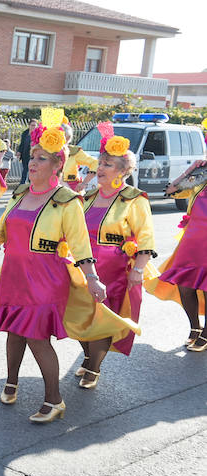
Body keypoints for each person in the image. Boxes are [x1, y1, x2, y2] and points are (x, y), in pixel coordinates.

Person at [0, 109, 140, 423]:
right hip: (13, 275)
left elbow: (81, 245)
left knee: (36, 337)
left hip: (45, 278)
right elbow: (1, 233)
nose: (33, 162)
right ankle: (11, 382)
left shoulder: (67, 200)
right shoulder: (20, 192)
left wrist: (92, 279)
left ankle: (54, 400)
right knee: (13, 332)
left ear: (58, 165)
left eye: (42, 158)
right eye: (33, 156)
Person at [74, 124, 157, 388]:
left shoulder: (134, 199)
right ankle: (88, 356)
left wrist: (138, 269)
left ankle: (93, 368)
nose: (99, 168)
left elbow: (145, 236)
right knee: (78, 316)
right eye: (100, 162)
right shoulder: (88, 197)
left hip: (115, 270)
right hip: (84, 268)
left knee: (104, 318)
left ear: (122, 170)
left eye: (107, 164)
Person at [145, 158, 207, 351]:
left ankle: (206, 332)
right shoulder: (201, 176)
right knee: (184, 283)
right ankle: (195, 327)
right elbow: (170, 190)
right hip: (193, 239)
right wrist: (189, 172)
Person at [62, 120, 98, 192]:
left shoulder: (74, 152)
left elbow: (95, 163)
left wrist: (84, 183)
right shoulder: (47, 152)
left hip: (72, 191)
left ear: (67, 138)